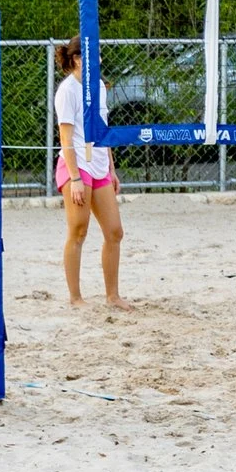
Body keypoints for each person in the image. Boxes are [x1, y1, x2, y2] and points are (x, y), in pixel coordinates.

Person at [52, 37, 131, 310]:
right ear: (77, 59)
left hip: (98, 163)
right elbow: (66, 138)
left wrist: (111, 168)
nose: (98, 60)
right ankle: (75, 298)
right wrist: (74, 178)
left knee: (115, 232)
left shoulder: (97, 86)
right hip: (76, 165)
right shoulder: (67, 91)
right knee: (78, 231)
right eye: (92, 55)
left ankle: (113, 296)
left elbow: (102, 130)